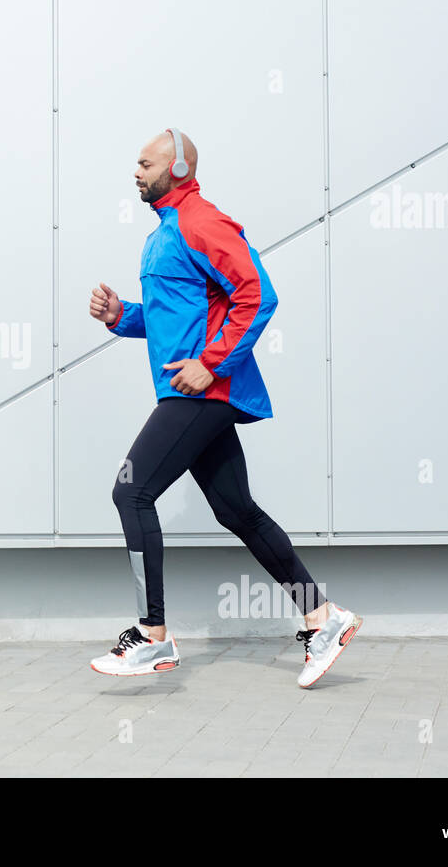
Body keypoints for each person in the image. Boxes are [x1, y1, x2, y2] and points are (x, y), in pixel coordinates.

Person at [87, 128, 360, 688]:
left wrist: (211, 364)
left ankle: (152, 636)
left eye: (145, 163)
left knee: (130, 490)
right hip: (192, 390)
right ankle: (323, 617)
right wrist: (122, 315)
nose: (135, 173)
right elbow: (175, 317)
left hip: (204, 391)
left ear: (178, 168)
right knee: (237, 511)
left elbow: (257, 292)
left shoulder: (199, 220)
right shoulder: (165, 231)